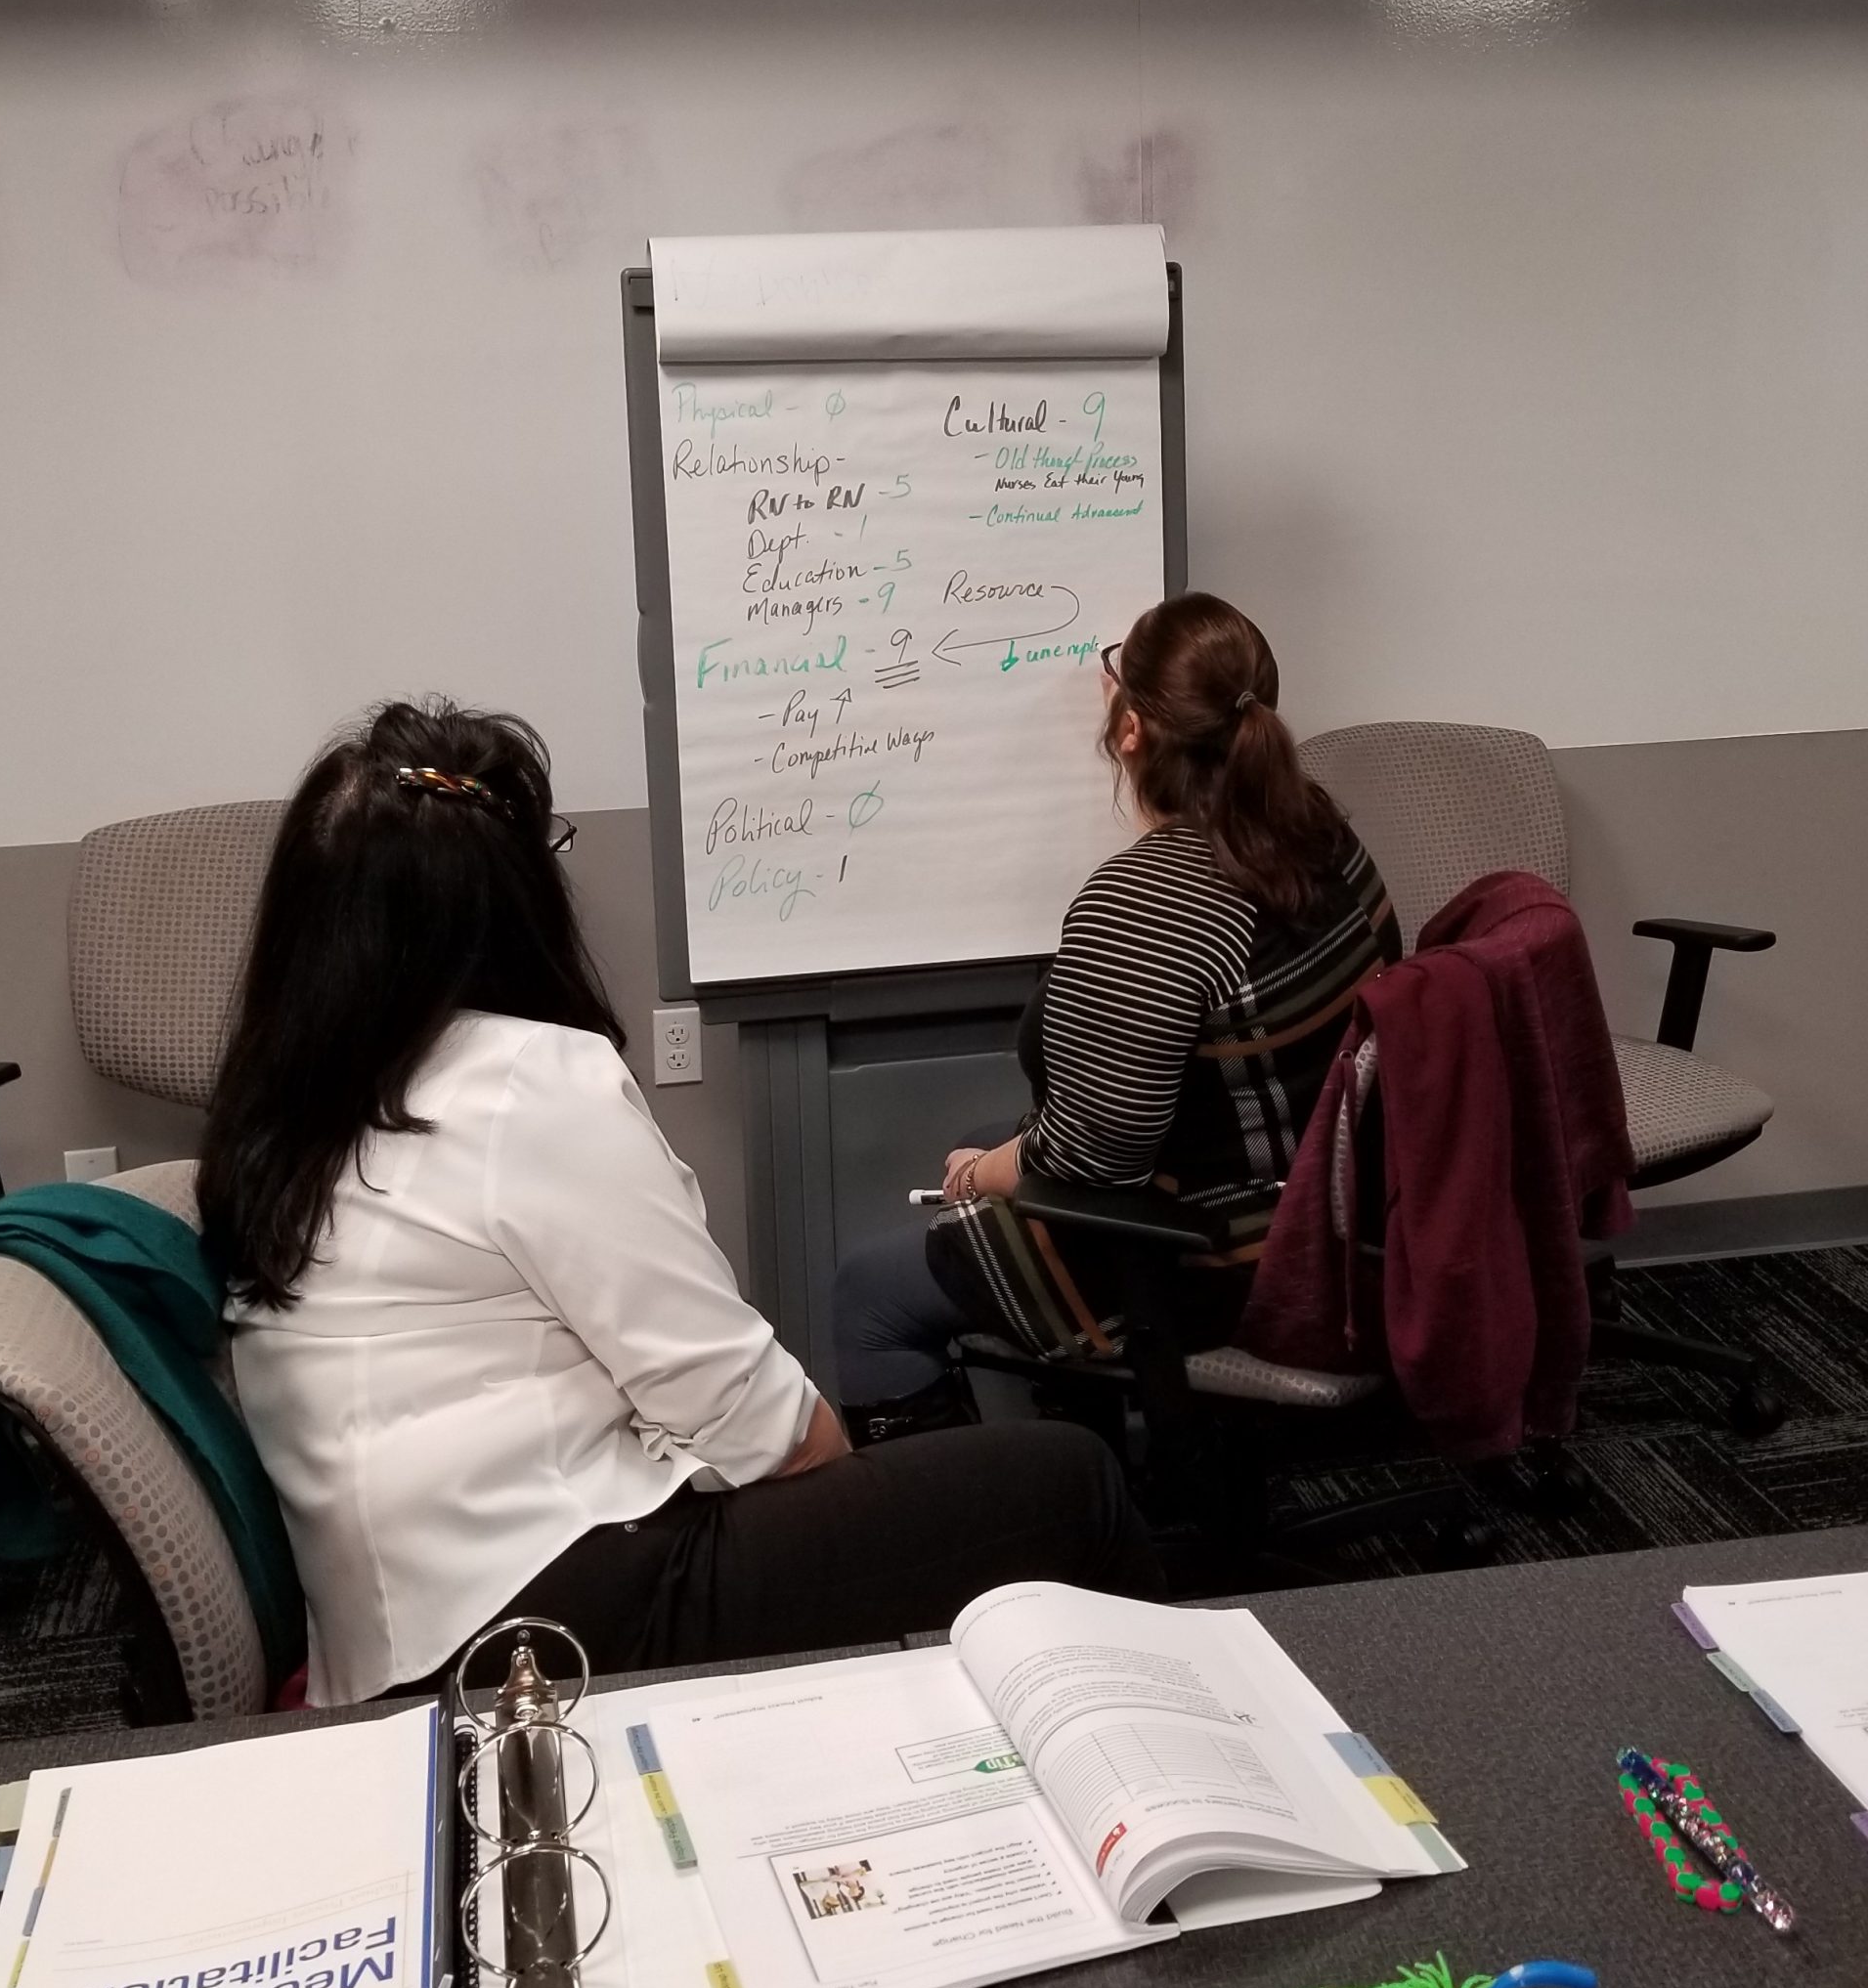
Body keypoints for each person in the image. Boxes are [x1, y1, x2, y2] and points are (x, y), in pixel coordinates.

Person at [198, 701, 1161, 1708]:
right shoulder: (525, 1081)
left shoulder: (275, 1117)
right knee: (1074, 1482)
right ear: (513, 900)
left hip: (393, 1641)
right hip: (554, 1616)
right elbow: (775, 1432)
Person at [832, 592, 1402, 1441]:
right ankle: (1097, 1436)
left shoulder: (1146, 906)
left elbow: (1094, 1163)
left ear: (1131, 729)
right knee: (989, 1138)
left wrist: (979, 1174)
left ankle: (977, 1506)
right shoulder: (1316, 827)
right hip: (1340, 1198)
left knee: (870, 1296)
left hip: (1231, 1252)